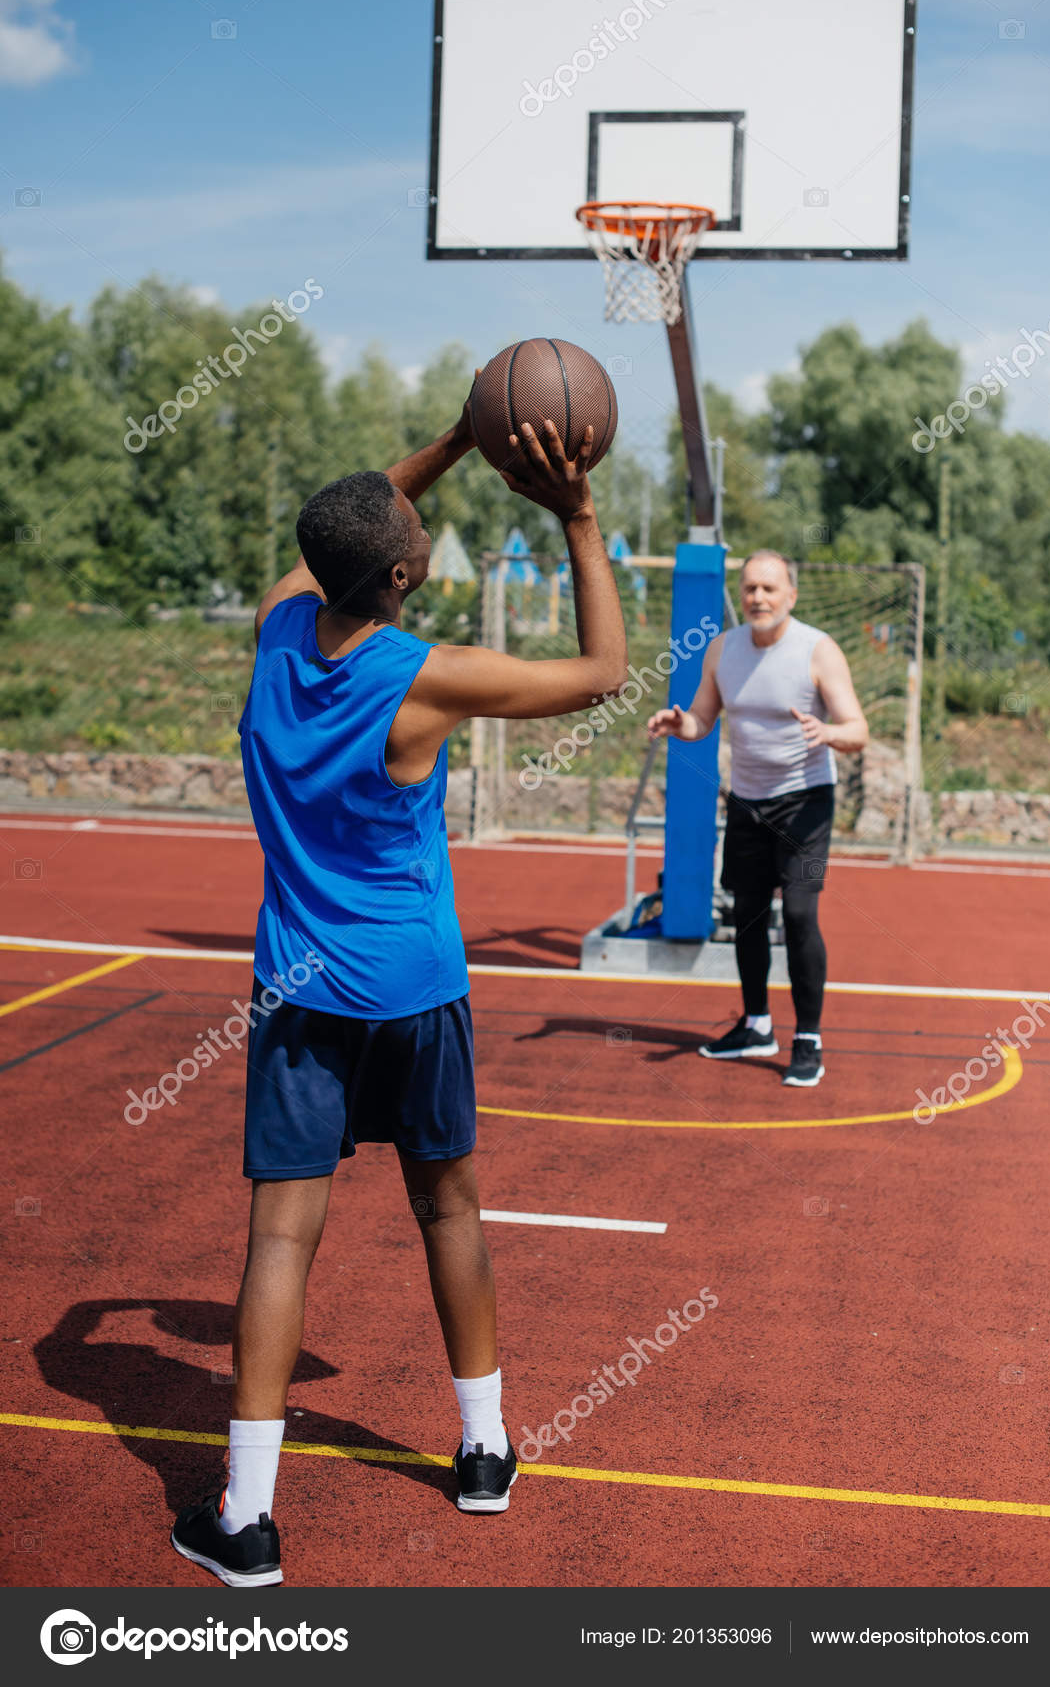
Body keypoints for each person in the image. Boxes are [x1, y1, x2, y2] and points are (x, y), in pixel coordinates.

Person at [170, 395, 627, 1587]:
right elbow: (605, 674)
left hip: (299, 983)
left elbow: (354, 516)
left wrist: (458, 440)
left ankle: (248, 1518)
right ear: (412, 573)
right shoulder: (423, 678)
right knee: (450, 1210)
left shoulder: (277, 628)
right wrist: (575, 514)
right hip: (415, 984)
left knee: (281, 1235)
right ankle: (482, 1451)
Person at [648, 551, 868, 1088]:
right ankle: (756, 1024)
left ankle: (808, 1037)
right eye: (749, 589)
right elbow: (703, 719)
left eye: (770, 589)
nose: (758, 598)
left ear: (791, 595)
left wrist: (829, 733)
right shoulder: (723, 649)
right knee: (745, 914)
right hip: (748, 800)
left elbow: (857, 730)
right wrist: (682, 722)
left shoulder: (817, 650)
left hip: (806, 800)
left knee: (797, 914)